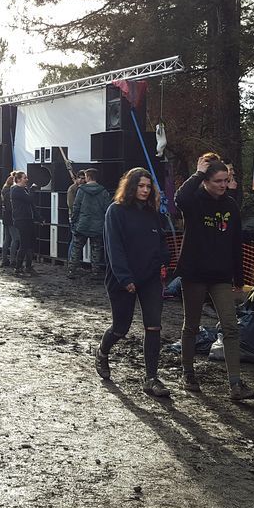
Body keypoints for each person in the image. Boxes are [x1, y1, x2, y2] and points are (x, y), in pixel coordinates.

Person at [174, 154, 254, 401]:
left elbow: (235, 243)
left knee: (231, 327)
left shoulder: (230, 206)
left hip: (221, 276)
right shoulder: (194, 201)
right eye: (219, 180)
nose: (223, 185)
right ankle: (187, 373)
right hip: (194, 274)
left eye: (226, 180)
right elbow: (180, 198)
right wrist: (198, 173)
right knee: (191, 325)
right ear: (207, 181)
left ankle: (235, 384)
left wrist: (238, 277)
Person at [93, 168, 171, 397]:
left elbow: (161, 240)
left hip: (151, 279)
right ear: (131, 186)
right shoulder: (115, 212)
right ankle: (102, 351)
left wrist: (164, 263)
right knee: (121, 328)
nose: (145, 190)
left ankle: (151, 378)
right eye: (141, 186)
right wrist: (125, 278)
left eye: (149, 187)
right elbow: (113, 248)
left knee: (153, 326)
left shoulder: (153, 212)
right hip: (122, 279)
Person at [69, 168, 112, 279]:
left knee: (77, 248)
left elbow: (76, 207)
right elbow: (107, 209)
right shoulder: (103, 191)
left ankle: (71, 271)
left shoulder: (81, 191)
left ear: (87, 177)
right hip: (98, 225)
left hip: (82, 224)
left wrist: (73, 221)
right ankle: (95, 272)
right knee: (96, 248)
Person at [10, 172, 36, 276]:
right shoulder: (16, 190)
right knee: (24, 244)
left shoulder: (23, 190)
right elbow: (29, 199)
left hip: (27, 219)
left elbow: (30, 204)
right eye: (25, 178)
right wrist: (33, 190)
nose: (27, 179)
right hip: (22, 220)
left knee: (30, 244)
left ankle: (28, 266)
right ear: (19, 179)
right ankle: (18, 267)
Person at [0, 172, 17, 268]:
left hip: (5, 217)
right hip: (11, 217)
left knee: (7, 239)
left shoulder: (4, 190)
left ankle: (4, 258)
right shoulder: (10, 192)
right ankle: (13, 260)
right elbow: (10, 206)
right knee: (15, 238)